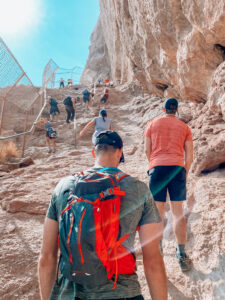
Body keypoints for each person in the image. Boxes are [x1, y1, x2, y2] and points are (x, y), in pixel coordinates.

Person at [38, 130, 168, 300]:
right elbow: (153, 261)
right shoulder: (138, 189)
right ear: (120, 152)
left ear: (94, 152)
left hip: (69, 293)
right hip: (123, 293)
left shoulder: (63, 186)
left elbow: (46, 258)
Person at [144, 97, 194, 272]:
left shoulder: (152, 124)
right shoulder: (185, 127)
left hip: (157, 168)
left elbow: (147, 150)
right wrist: (184, 171)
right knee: (177, 212)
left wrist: (153, 166)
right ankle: (181, 254)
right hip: (177, 169)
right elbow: (190, 155)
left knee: (157, 212)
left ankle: (158, 250)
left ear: (164, 109)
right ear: (177, 110)